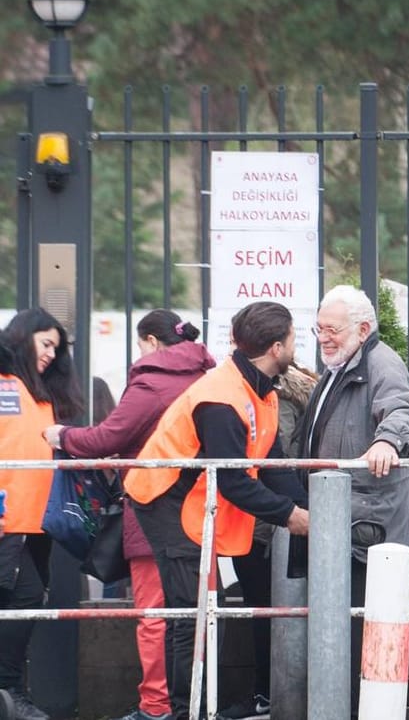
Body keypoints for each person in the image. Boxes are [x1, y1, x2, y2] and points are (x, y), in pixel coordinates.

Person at [124, 301, 310, 720]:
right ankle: (185, 711)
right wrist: (291, 515)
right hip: (165, 500)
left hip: (186, 499)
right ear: (277, 347)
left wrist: (311, 508)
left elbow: (270, 463)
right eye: (295, 337)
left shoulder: (260, 389)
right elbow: (235, 482)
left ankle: (187, 709)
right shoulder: (222, 398)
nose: (297, 344)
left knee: (200, 609)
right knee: (194, 613)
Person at [43, 309, 215, 720]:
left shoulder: (152, 381)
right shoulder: (208, 378)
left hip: (153, 509)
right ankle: (196, 703)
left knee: (154, 614)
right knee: (199, 613)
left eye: (140, 345)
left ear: (152, 342)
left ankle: (155, 706)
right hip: (204, 512)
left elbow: (109, 436)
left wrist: (62, 435)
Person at [294, 285, 409, 714]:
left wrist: (387, 440)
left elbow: (404, 414)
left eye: (331, 329)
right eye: (318, 330)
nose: (323, 338)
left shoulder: (380, 363)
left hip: (363, 525)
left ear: (362, 329)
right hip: (341, 518)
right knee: (343, 627)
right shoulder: (338, 367)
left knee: (355, 630)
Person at [217, 361, 317, 720]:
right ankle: (273, 693)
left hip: (265, 521)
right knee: (278, 612)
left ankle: (265, 694)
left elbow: (271, 463)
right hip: (284, 515)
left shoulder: (271, 399)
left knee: (264, 611)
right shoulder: (304, 393)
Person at [0, 308, 84, 720]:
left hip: (36, 524)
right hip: (8, 523)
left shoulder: (42, 396)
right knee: (26, 599)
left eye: (57, 347)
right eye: (45, 343)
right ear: (23, 336)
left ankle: (12, 693)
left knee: (24, 602)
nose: (51, 354)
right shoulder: (5, 385)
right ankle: (11, 692)